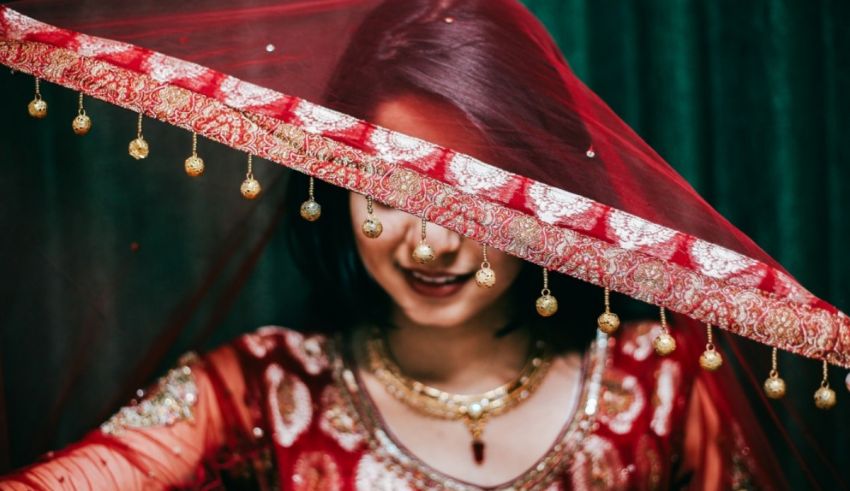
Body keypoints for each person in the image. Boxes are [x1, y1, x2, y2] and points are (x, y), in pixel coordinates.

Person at [0, 0, 840, 489]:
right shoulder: (260, 391)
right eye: (391, 190)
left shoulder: (657, 386)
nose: (431, 239)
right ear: (335, 185)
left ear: (544, 196)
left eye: (471, 194)